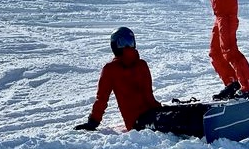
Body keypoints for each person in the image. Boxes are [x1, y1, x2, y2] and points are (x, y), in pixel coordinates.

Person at [73, 27, 207, 136]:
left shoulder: (141, 65)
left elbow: (148, 96)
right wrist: (93, 122)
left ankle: (205, 115)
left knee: (184, 112)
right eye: (123, 42)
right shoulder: (111, 70)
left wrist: (165, 109)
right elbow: (102, 99)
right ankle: (204, 125)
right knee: (179, 120)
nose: (127, 46)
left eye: (130, 42)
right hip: (137, 122)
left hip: (150, 114)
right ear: (115, 46)